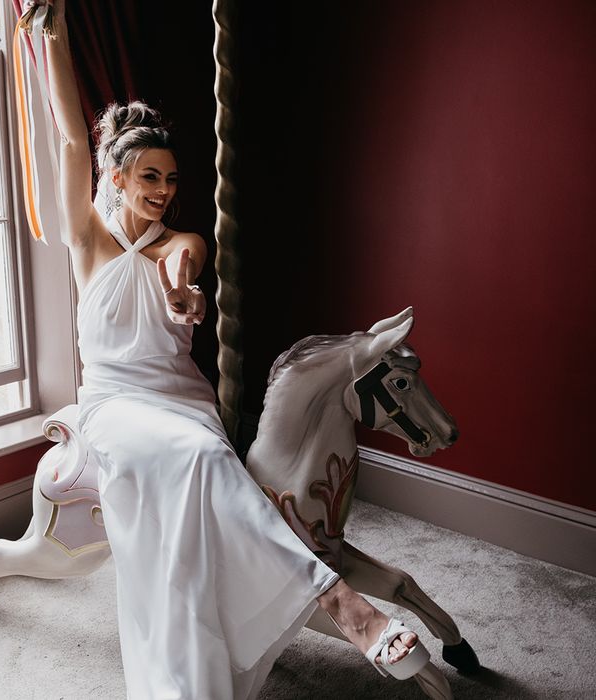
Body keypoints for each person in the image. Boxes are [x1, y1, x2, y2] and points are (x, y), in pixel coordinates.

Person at [36, 1, 431, 696]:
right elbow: (70, 142)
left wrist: (184, 294)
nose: (163, 191)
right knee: (196, 460)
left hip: (177, 398)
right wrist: (55, 35)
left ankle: (339, 604)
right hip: (115, 404)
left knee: (204, 453)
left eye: (171, 179)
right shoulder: (89, 242)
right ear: (118, 178)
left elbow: (179, 271)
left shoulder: (182, 243)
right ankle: (343, 604)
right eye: (149, 177)